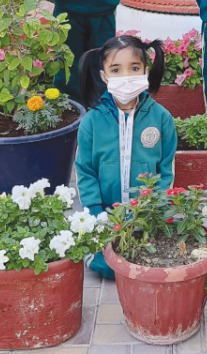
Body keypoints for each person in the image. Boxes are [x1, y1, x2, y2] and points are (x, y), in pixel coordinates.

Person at [74, 34, 178, 278]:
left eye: (134, 68)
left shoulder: (161, 118)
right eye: (116, 70)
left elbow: (166, 169)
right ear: (104, 76)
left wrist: (154, 208)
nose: (126, 77)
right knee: (106, 267)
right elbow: (85, 170)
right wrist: (95, 212)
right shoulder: (91, 121)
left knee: (153, 256)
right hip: (106, 215)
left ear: (145, 70)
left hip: (146, 215)